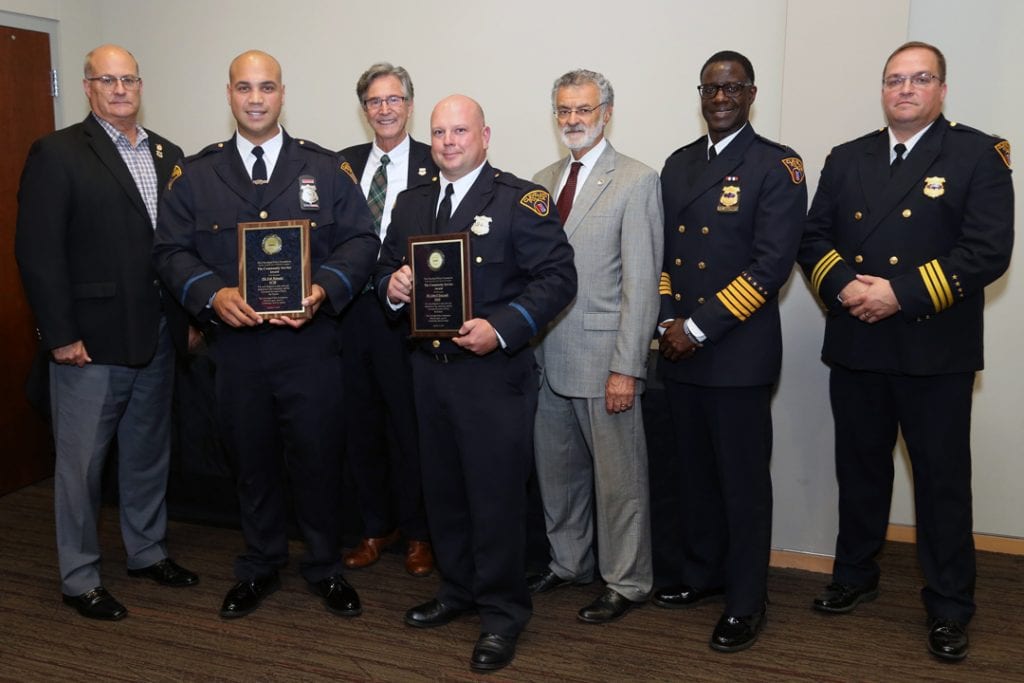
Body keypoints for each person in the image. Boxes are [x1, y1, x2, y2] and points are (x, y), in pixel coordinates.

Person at [798, 41, 1013, 662]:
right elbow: (813, 239)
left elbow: (987, 250)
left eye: (920, 79)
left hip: (933, 348)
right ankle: (855, 576)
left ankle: (949, 605)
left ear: (942, 89)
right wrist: (847, 290)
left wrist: (899, 292)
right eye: (895, 79)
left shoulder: (978, 153)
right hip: (858, 341)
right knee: (860, 470)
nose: (906, 89)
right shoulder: (848, 158)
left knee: (942, 482)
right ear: (883, 89)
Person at [153, 50, 379, 620]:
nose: (256, 98)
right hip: (237, 349)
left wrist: (325, 287)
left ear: (283, 94)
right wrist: (212, 293)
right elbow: (169, 250)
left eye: (267, 88)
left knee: (318, 459)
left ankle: (324, 566)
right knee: (249, 459)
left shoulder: (325, 169)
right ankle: (259, 564)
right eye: (245, 88)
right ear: (229, 94)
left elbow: (360, 241)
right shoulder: (197, 174)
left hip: (309, 346)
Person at [376, 94, 576, 672]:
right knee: (443, 494)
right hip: (429, 374)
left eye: (459, 131)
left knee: (493, 501)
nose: (448, 142)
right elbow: (385, 268)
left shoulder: (519, 200)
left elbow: (558, 277)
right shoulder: (412, 204)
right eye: (439, 132)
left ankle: (502, 614)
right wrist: (393, 287)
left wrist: (504, 327)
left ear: (484, 135)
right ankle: (457, 590)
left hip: (493, 376)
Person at [15, 44, 198, 621]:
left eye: (129, 80)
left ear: (140, 87)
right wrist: (60, 335)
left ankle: (146, 552)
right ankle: (79, 578)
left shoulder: (169, 153)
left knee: (147, 457)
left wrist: (189, 321)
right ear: (88, 86)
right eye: (107, 80)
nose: (119, 89)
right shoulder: (58, 152)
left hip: (159, 336)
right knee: (81, 468)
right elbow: (38, 253)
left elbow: (180, 249)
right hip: (88, 345)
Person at [654, 50, 807, 652]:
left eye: (732, 88)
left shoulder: (776, 165)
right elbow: (666, 256)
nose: (720, 98)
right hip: (679, 350)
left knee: (742, 483)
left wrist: (695, 328)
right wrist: (668, 319)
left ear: (751, 94)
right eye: (710, 88)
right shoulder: (679, 163)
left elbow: (770, 267)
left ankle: (747, 600)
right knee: (694, 477)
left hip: (735, 354)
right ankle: (703, 574)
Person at [529, 69, 662, 623]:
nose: (573, 121)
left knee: (619, 483)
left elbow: (641, 283)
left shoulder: (636, 179)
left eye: (583, 110)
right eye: (563, 111)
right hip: (546, 362)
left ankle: (627, 580)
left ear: (607, 112)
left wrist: (627, 367)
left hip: (605, 361)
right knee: (556, 477)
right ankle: (569, 563)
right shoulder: (542, 181)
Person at [337, 63, 436, 577]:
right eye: (374, 101)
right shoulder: (340, 165)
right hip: (351, 317)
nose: (385, 109)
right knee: (361, 427)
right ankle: (377, 526)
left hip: (411, 318)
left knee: (410, 428)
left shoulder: (435, 161)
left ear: (410, 105)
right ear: (364, 110)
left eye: (394, 99)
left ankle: (420, 534)